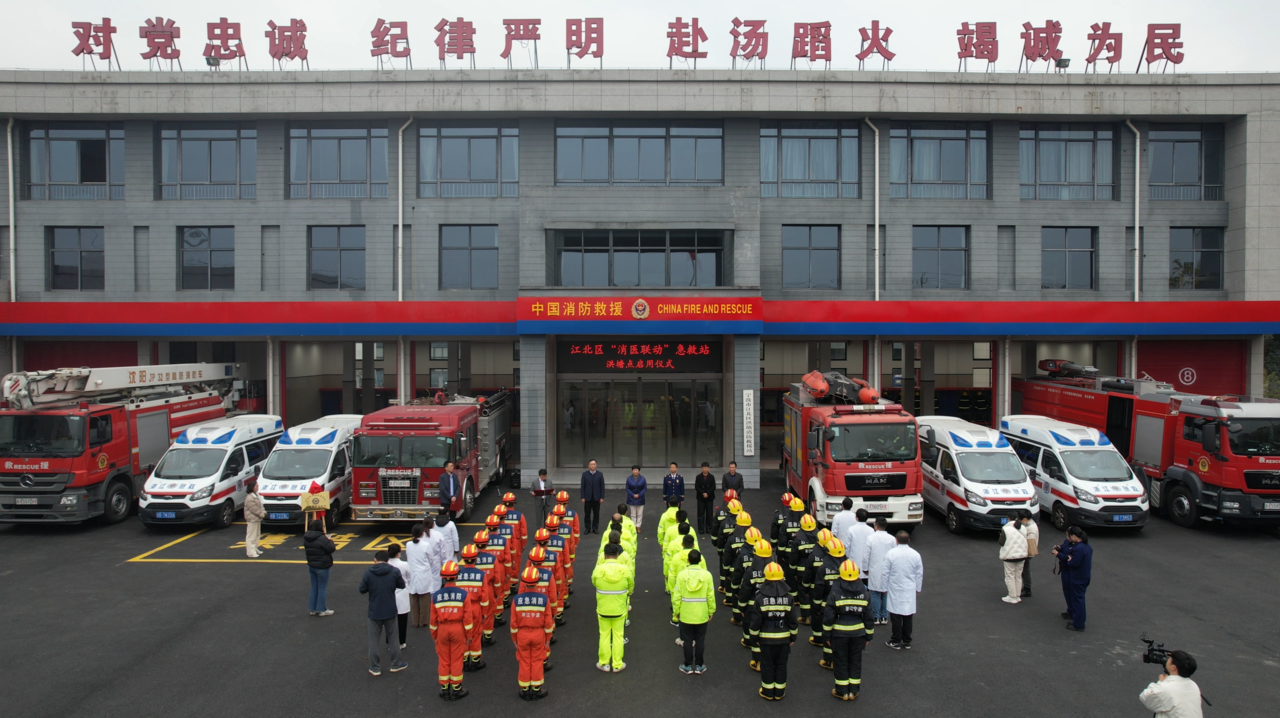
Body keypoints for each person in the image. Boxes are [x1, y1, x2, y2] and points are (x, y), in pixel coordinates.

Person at [747, 561, 797, 701]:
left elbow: (755, 622)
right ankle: (779, 692)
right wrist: (793, 637)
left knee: (767, 665)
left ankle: (768, 692)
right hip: (784, 638)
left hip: (766, 638)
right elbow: (792, 620)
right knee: (781, 665)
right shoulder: (788, 598)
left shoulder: (760, 598)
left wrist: (754, 639)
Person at [824, 559, 872, 701]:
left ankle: (842, 691)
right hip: (858, 633)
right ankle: (853, 691)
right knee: (855, 661)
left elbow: (828, 616)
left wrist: (826, 635)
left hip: (839, 633)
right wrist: (868, 636)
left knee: (840, 661)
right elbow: (868, 616)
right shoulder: (864, 592)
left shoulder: (835, 592)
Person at [430, 561, 475, 701]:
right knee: (456, 659)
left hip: (442, 629)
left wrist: (435, 636)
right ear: (456, 576)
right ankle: (456, 689)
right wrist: (469, 635)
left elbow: (433, 620)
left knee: (443, 659)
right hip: (457, 628)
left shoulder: (436, 596)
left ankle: (444, 688)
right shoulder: (464, 595)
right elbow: (468, 619)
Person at [360, 550, 408, 676]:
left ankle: (374, 667)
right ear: (388, 560)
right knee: (393, 638)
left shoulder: (369, 572)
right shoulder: (394, 571)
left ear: (375, 560)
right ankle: (396, 664)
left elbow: (362, 589)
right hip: (390, 609)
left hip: (374, 610)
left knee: (374, 641)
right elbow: (402, 585)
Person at [511, 567, 554, 701]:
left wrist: (514, 639)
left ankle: (525, 689)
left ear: (523, 582)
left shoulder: (517, 600)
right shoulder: (544, 599)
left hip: (522, 634)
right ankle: (536, 689)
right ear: (537, 582)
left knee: (524, 660)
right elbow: (548, 623)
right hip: (538, 634)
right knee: (537, 660)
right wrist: (548, 639)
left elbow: (513, 623)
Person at [672, 549, 716, 674]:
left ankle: (687, 665)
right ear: (700, 560)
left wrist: (676, 611)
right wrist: (711, 611)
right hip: (702, 614)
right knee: (700, 640)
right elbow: (711, 595)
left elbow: (677, 596)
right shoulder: (707, 575)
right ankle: (699, 665)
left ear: (688, 560)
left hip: (686, 613)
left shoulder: (681, 575)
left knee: (687, 640)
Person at [593, 542, 634, 673]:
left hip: (603, 608)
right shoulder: (624, 569)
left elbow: (594, 582)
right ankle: (617, 664)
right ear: (617, 554)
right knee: (618, 636)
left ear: (605, 555)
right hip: (619, 609)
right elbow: (631, 585)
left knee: (604, 635)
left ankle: (604, 663)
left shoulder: (599, 569)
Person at [883, 531, 923, 650]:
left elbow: (885, 572)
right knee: (908, 615)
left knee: (895, 615)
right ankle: (907, 641)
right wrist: (918, 587)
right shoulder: (915, 554)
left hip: (895, 587)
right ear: (908, 540)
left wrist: (884, 587)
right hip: (909, 588)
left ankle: (896, 640)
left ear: (896, 540)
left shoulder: (891, 553)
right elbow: (919, 573)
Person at [455, 550, 491, 673]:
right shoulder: (481, 574)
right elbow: (484, 597)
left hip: (461, 607)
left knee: (463, 634)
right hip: (475, 608)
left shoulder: (458, 574)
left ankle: (464, 661)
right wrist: (484, 613)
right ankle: (475, 661)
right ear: (476, 559)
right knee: (476, 634)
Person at [811, 537, 845, 668]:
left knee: (828, 631)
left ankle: (829, 660)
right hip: (844, 606)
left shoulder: (823, 568)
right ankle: (840, 658)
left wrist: (816, 606)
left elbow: (819, 589)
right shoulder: (848, 567)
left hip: (827, 606)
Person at [1139, 650, 1203, 718]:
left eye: (1169, 659)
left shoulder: (1165, 688)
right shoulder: (1194, 685)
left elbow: (1146, 697)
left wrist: (1160, 682)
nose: (1166, 660)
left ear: (1173, 667)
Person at [1054, 526, 1093, 631]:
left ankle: (1078, 624)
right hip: (1083, 576)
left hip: (1077, 577)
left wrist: (1069, 560)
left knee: (1077, 601)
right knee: (1078, 599)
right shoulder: (1086, 546)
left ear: (1074, 536)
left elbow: (1073, 563)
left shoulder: (1078, 549)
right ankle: (1076, 619)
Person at [406, 523, 442, 627]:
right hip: (424, 573)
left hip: (412, 573)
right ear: (422, 533)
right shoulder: (426, 545)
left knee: (413, 598)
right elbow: (431, 559)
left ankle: (415, 621)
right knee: (425, 598)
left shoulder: (408, 544)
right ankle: (423, 621)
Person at [785, 514, 818, 624]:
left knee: (803, 592)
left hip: (802, 570)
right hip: (816, 569)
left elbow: (794, 557)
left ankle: (806, 617)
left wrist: (792, 571)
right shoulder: (819, 536)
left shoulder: (798, 538)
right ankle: (816, 615)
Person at [864, 518, 897, 626]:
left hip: (875, 569)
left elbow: (866, 555)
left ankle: (875, 617)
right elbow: (895, 555)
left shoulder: (871, 538)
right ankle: (884, 616)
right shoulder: (892, 539)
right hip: (888, 569)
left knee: (874, 593)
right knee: (885, 594)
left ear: (876, 526)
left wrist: (865, 568)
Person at [303, 519, 336, 617]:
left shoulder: (306, 537)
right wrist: (329, 540)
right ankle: (321, 609)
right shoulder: (322, 538)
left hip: (312, 565)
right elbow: (331, 548)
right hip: (322, 566)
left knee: (314, 587)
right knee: (322, 588)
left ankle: (312, 609)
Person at [999, 515, 1029, 604]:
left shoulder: (1006, 529)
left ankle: (1012, 596)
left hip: (1010, 556)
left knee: (1010, 576)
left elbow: (1001, 542)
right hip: (1022, 555)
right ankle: (1017, 596)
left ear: (1008, 518)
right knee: (1018, 576)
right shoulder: (1023, 528)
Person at [387, 543, 412, 650]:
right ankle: (401, 642)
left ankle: (390, 642)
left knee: (389, 620)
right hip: (402, 593)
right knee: (402, 619)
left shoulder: (386, 564)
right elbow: (409, 577)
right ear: (398, 553)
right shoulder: (404, 564)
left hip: (389, 593)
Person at [845, 510, 875, 581]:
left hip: (853, 561)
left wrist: (847, 557)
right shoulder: (871, 530)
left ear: (856, 518)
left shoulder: (851, 529)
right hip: (867, 564)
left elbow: (847, 546)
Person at [580, 460, 605, 534]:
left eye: (594, 464)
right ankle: (587, 528)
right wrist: (582, 497)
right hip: (587, 497)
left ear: (596, 465)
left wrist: (602, 497)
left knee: (596, 514)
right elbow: (582, 486)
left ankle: (595, 528)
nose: (593, 465)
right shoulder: (585, 474)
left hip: (596, 497)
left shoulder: (600, 474)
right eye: (591, 464)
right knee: (587, 514)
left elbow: (602, 486)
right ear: (588, 465)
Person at [1019, 510, 1040, 598]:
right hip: (1026, 552)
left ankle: (1027, 588)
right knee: (1025, 570)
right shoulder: (1030, 524)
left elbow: (1030, 543)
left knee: (1025, 571)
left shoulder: (1031, 528)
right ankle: (1026, 587)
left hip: (1027, 552)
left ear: (1024, 519)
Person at [243, 480, 265, 558]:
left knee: (256, 535)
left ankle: (255, 548)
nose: (257, 487)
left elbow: (260, 506)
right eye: (256, 486)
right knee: (251, 536)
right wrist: (261, 514)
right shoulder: (250, 498)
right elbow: (254, 509)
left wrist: (263, 511)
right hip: (252, 519)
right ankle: (250, 552)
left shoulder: (256, 495)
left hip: (257, 518)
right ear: (252, 487)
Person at [694, 463, 716, 535]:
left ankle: (709, 529)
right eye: (703, 468)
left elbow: (713, 487)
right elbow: (697, 487)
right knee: (700, 514)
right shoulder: (698, 477)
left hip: (709, 497)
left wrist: (708, 493)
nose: (705, 469)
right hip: (701, 497)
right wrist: (703, 493)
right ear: (701, 468)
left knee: (709, 514)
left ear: (708, 469)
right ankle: (701, 529)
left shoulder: (712, 477)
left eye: (706, 468)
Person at [625, 465, 647, 531]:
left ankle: (638, 526)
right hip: (632, 498)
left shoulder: (643, 479)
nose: (635, 471)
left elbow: (644, 488)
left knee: (640, 513)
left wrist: (639, 495)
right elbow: (627, 488)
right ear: (632, 471)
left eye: (636, 470)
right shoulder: (629, 479)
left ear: (639, 471)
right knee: (633, 514)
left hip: (640, 498)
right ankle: (633, 526)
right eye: (634, 470)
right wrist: (633, 495)